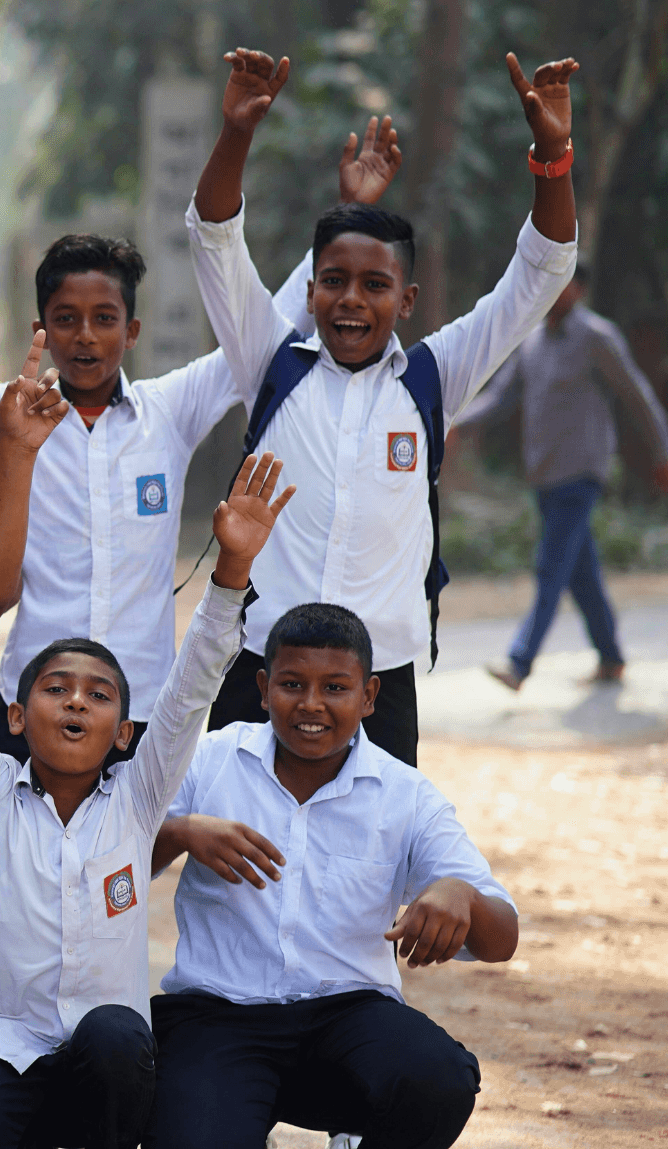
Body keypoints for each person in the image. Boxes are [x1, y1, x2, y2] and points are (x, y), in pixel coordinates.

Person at [0, 133, 399, 766]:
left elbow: (262, 325)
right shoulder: (12, 416)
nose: (85, 336)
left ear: (132, 330)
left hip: (140, 704)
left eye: (104, 318)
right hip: (30, 700)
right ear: (42, 327)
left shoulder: (171, 411)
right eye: (66, 318)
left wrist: (343, 218)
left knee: (129, 863)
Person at [0, 396, 291, 1149]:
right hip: (4, 1050)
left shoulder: (140, 797)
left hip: (106, 1070)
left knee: (117, 1033)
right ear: (16, 718)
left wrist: (233, 569)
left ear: (124, 730)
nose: (75, 701)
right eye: (54, 689)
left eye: (98, 694)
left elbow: (193, 685)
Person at [187, 48, 582, 767]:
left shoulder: (432, 379)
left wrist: (552, 153)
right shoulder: (270, 362)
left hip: (381, 678)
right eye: (333, 280)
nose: (350, 299)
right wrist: (237, 133)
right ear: (309, 292)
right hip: (259, 666)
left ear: (406, 301)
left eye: (375, 285)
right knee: (237, 858)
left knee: (371, 869)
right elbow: (215, 241)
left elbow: (542, 270)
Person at [146, 602, 518, 1149]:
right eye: (292, 684)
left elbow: (502, 938)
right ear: (263, 685)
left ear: (369, 696)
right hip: (216, 1021)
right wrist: (178, 833)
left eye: (336, 688)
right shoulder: (209, 761)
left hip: (349, 1020)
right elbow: (112, 865)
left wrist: (459, 893)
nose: (312, 704)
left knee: (438, 1076)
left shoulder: (405, 794)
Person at [453, 263, 668, 690]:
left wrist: (663, 451)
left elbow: (636, 393)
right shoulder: (531, 341)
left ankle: (519, 662)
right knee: (580, 571)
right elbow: (500, 396)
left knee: (550, 568)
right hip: (545, 476)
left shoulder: (597, 337)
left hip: (582, 472)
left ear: (580, 289)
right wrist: (457, 421)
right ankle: (611, 657)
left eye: (562, 283)